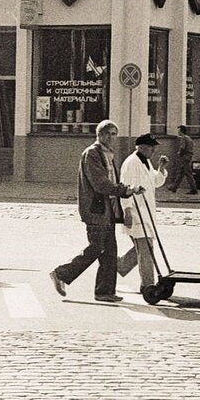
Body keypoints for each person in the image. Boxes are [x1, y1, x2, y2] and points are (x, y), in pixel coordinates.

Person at [49, 120, 143, 303]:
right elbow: (100, 183)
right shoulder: (92, 153)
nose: (111, 137)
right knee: (96, 247)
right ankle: (61, 274)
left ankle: (104, 291)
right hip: (95, 210)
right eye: (108, 133)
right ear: (99, 135)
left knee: (109, 252)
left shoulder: (107, 154)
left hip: (106, 211)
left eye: (114, 134)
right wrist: (125, 190)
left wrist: (127, 189)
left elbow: (112, 181)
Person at [117, 133, 169, 293]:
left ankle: (118, 265)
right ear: (141, 147)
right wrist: (127, 211)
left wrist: (161, 168)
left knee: (143, 247)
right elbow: (124, 187)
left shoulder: (145, 161)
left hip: (146, 211)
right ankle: (148, 285)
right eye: (151, 147)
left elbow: (156, 182)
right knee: (146, 248)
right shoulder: (131, 163)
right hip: (135, 211)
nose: (153, 150)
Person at [167, 124, 197, 195]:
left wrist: (179, 154)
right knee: (181, 172)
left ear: (181, 131)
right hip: (188, 156)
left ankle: (194, 189)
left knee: (188, 173)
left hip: (185, 157)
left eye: (178, 130)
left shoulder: (183, 138)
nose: (178, 131)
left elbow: (182, 148)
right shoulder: (189, 138)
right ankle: (174, 187)